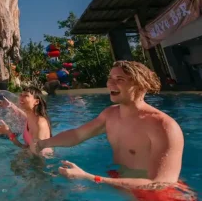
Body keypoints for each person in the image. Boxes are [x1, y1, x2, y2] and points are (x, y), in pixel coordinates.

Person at [32, 60, 185, 189]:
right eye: (110, 78)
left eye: (119, 79)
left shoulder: (162, 126)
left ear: (141, 86)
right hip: (118, 180)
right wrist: (43, 143)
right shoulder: (110, 114)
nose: (110, 83)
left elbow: (161, 184)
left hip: (154, 193)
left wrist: (91, 178)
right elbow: (77, 135)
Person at [0, 86, 52, 155]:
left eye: (26, 95)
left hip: (41, 161)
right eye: (21, 95)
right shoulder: (30, 118)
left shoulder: (39, 123)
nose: (21, 98)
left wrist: (9, 133)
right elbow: (19, 113)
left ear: (36, 101)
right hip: (30, 156)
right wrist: (9, 105)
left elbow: (37, 154)